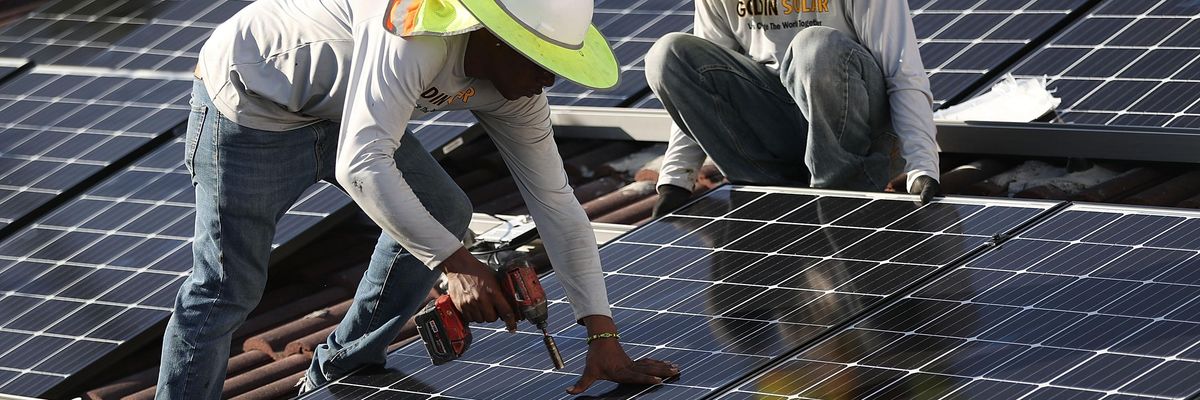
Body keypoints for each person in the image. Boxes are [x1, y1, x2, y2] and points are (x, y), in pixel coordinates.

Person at [156, 0, 678, 397]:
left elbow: (557, 204)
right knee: (227, 286)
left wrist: (602, 335)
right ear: (495, 37)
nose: (547, 79)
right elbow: (360, 165)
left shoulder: (519, 90)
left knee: (445, 212)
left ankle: (342, 364)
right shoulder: (416, 34)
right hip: (253, 105)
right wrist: (456, 264)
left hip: (350, 112)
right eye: (540, 61)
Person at [646, 1, 942, 217]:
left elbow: (903, 73)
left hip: (859, 126)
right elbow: (701, 80)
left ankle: (840, 195)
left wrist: (921, 167)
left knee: (814, 45)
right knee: (668, 53)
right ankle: (768, 193)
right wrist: (675, 181)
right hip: (780, 120)